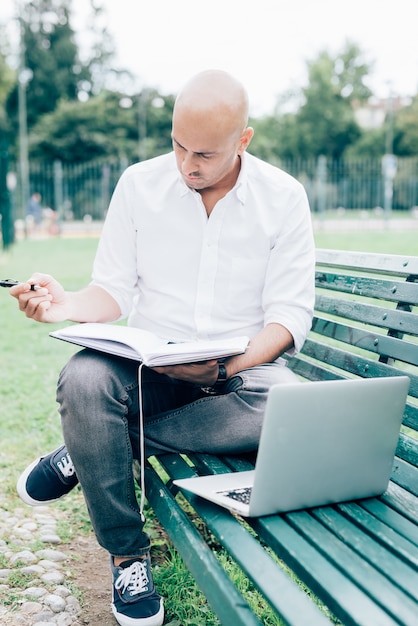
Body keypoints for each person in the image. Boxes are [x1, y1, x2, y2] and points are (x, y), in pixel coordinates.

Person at [10, 70, 315, 626]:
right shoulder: (138, 185)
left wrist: (230, 363)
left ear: (243, 140)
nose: (186, 165)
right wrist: (64, 303)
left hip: (241, 376)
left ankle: (91, 445)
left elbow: (290, 318)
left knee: (293, 416)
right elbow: (113, 292)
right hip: (149, 367)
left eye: (203, 153)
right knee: (84, 380)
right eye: (177, 145)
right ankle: (129, 553)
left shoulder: (284, 198)